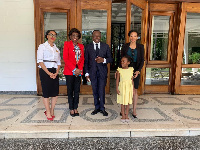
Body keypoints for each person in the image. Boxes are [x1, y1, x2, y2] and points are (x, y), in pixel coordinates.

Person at [84, 30, 113, 116]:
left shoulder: (105, 46)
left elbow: (110, 59)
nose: (97, 38)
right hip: (92, 72)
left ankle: (102, 108)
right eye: (95, 36)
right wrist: (86, 74)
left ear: (101, 37)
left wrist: (103, 60)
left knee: (101, 90)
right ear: (92, 37)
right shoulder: (88, 47)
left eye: (99, 36)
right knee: (95, 90)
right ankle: (96, 107)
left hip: (102, 72)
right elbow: (86, 61)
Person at [37, 30, 61, 121]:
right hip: (45, 70)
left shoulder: (56, 49)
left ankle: (52, 110)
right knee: (46, 92)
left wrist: (56, 72)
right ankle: (47, 111)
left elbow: (58, 62)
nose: (53, 36)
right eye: (51, 34)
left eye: (54, 35)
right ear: (47, 36)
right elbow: (40, 61)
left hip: (54, 71)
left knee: (55, 92)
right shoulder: (42, 46)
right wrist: (48, 73)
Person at [121, 30, 144, 118]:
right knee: (125, 89)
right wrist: (120, 70)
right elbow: (122, 59)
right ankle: (123, 110)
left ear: (137, 37)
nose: (133, 38)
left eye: (135, 36)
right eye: (131, 36)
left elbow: (142, 60)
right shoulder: (125, 46)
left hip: (136, 70)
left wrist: (138, 70)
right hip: (126, 69)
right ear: (129, 37)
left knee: (134, 90)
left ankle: (134, 110)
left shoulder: (141, 47)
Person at [63, 28, 84, 117]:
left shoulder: (81, 46)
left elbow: (82, 59)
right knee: (70, 90)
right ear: (70, 36)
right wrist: (74, 69)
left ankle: (76, 107)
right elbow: (66, 58)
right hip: (69, 71)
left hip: (78, 71)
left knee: (77, 91)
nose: (75, 37)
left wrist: (79, 70)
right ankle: (71, 108)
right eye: (73, 35)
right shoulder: (67, 44)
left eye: (77, 36)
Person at [116, 56, 134, 122]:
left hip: (129, 88)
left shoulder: (131, 70)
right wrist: (117, 88)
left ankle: (127, 115)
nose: (122, 62)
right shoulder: (119, 70)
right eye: (121, 61)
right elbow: (117, 80)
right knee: (122, 102)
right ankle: (123, 115)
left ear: (128, 62)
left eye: (124, 61)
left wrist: (133, 89)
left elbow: (132, 80)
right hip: (122, 88)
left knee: (127, 102)